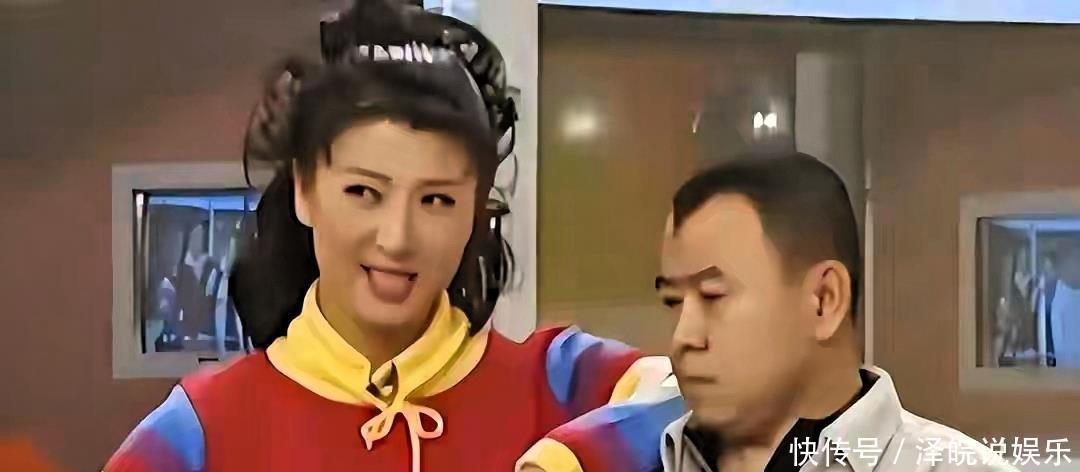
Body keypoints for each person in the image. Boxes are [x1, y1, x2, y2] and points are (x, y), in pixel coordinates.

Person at [105, 2, 682, 471]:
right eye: (364, 192)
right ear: (304, 189)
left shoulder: (558, 384)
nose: (398, 238)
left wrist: (569, 460)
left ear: (476, 211)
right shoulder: (204, 429)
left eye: (437, 200)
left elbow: (707, 398)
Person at [655, 153, 1016, 471]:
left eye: (713, 296)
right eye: (673, 301)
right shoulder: (635, 458)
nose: (684, 337)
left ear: (824, 300)